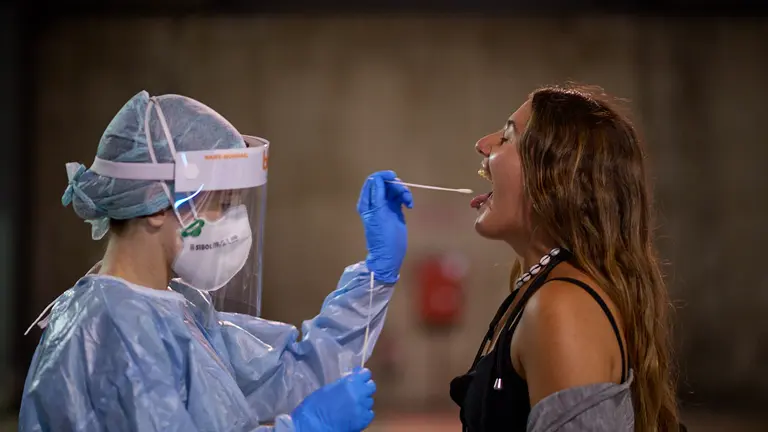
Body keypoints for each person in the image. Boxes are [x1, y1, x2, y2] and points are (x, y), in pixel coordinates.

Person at [19, 91, 414, 432]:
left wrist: (376, 274)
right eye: (221, 205)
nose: (233, 223)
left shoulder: (178, 311)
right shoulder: (114, 329)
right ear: (158, 205)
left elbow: (288, 374)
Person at [450, 84, 681, 431]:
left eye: (508, 137)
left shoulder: (562, 307)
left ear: (555, 178)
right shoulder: (544, 292)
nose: (483, 143)